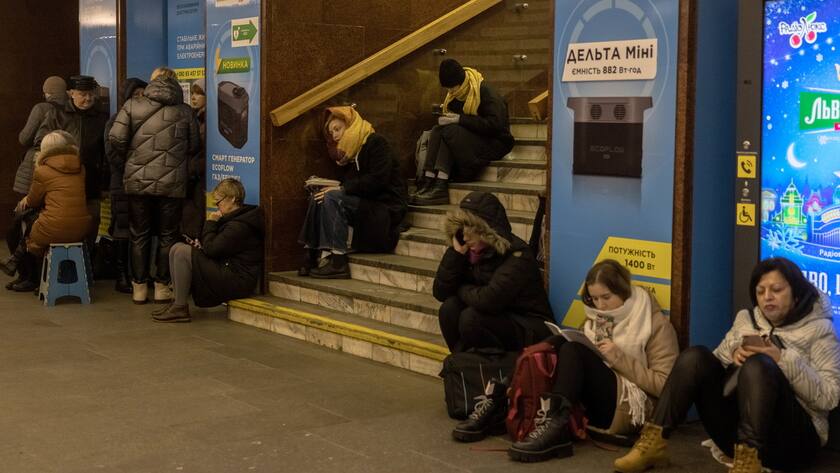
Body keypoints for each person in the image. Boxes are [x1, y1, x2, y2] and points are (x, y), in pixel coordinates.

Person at [614, 257, 840, 473]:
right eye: (760, 292)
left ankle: (751, 458)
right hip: (735, 437)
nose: (767, 297)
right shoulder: (746, 320)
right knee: (695, 356)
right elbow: (709, 371)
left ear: (796, 294)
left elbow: (829, 398)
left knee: (759, 364)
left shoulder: (821, 331)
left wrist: (781, 359)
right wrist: (733, 354)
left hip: (792, 442)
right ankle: (653, 442)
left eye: (777, 290)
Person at [482, 260, 679, 463]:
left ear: (624, 291)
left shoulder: (654, 324)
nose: (600, 306)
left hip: (631, 407)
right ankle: (506, 391)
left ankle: (554, 425)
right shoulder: (598, 318)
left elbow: (666, 387)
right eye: (594, 299)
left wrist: (619, 358)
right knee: (561, 341)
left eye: (606, 297)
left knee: (574, 349)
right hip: (595, 398)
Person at [108, 66, 200, 305]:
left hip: (138, 182)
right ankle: (161, 286)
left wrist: (131, 159)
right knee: (168, 235)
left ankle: (139, 288)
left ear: (153, 82)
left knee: (139, 234)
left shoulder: (132, 105)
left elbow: (116, 138)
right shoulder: (185, 111)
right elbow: (193, 146)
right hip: (172, 184)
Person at [433, 191, 552, 353]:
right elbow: (440, 292)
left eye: (471, 228)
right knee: (449, 309)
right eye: (462, 227)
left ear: (487, 230)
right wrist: (455, 254)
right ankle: (466, 365)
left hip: (529, 326)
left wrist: (460, 288)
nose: (465, 235)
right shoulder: (467, 250)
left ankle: (491, 367)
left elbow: (488, 300)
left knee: (471, 318)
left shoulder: (517, 254)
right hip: (497, 317)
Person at [297, 106, 407, 279]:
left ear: (351, 126)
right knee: (318, 196)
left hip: (384, 209)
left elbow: (378, 181)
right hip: (366, 206)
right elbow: (352, 185)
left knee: (332, 196)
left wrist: (342, 188)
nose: (334, 135)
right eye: (331, 131)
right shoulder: (349, 154)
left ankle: (338, 261)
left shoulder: (376, 142)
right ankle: (310, 254)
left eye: (338, 129)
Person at [152, 179, 263, 323]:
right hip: (228, 268)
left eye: (218, 202)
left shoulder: (239, 226)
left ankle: (180, 307)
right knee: (176, 248)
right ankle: (176, 303)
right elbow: (217, 248)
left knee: (182, 252)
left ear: (232, 199)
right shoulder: (235, 219)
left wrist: (210, 223)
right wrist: (202, 245)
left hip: (238, 279)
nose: (217, 206)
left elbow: (213, 250)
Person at [411, 59, 514, 206]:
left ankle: (441, 183)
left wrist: (460, 119)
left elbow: (496, 125)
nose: (450, 92)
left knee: (450, 131)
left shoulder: (485, 92)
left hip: (496, 141)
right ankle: (429, 180)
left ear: (461, 82)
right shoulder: (455, 97)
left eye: (452, 88)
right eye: (448, 89)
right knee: (437, 130)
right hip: (473, 138)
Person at [2, 131, 92, 291]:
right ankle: (24, 271)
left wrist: (25, 200)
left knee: (18, 227)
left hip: (54, 228)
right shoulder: (80, 167)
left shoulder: (43, 170)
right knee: (29, 223)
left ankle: (30, 277)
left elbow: (34, 201)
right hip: (81, 228)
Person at [2, 76, 69, 289]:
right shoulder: (71, 111)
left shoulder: (41, 108)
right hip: (56, 177)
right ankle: (34, 275)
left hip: (34, 171)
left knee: (23, 225)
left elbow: (24, 137)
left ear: (46, 92)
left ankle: (28, 275)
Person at [35, 75, 108, 241]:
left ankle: (87, 263)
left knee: (91, 227)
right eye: (83, 94)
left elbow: (106, 154)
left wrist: (105, 183)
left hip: (92, 184)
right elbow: (40, 141)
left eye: (91, 94)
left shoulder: (101, 118)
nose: (88, 98)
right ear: (71, 93)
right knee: (66, 230)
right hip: (63, 184)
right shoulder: (57, 115)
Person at [104, 77, 147, 294]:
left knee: (140, 231)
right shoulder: (114, 122)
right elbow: (112, 155)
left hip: (141, 184)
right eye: (136, 94)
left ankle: (138, 274)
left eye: (144, 94)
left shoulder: (146, 121)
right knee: (122, 229)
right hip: (121, 183)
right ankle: (122, 276)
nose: (141, 98)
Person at [181, 78, 207, 240]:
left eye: (199, 93)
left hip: (200, 176)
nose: (193, 97)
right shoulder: (194, 118)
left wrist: (193, 168)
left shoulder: (209, 120)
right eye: (192, 93)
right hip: (192, 177)